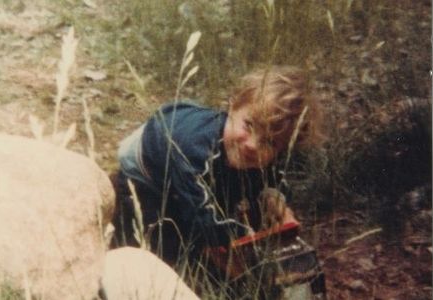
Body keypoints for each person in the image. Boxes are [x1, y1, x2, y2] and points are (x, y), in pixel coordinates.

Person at [110, 66, 323, 268]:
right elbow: (203, 224)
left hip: (192, 132)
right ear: (233, 106)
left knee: (235, 185)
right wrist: (243, 239)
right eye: (249, 125)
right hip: (147, 165)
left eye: (269, 142)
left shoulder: (245, 146)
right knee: (169, 242)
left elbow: (274, 177)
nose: (252, 145)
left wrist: (275, 198)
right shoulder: (194, 150)